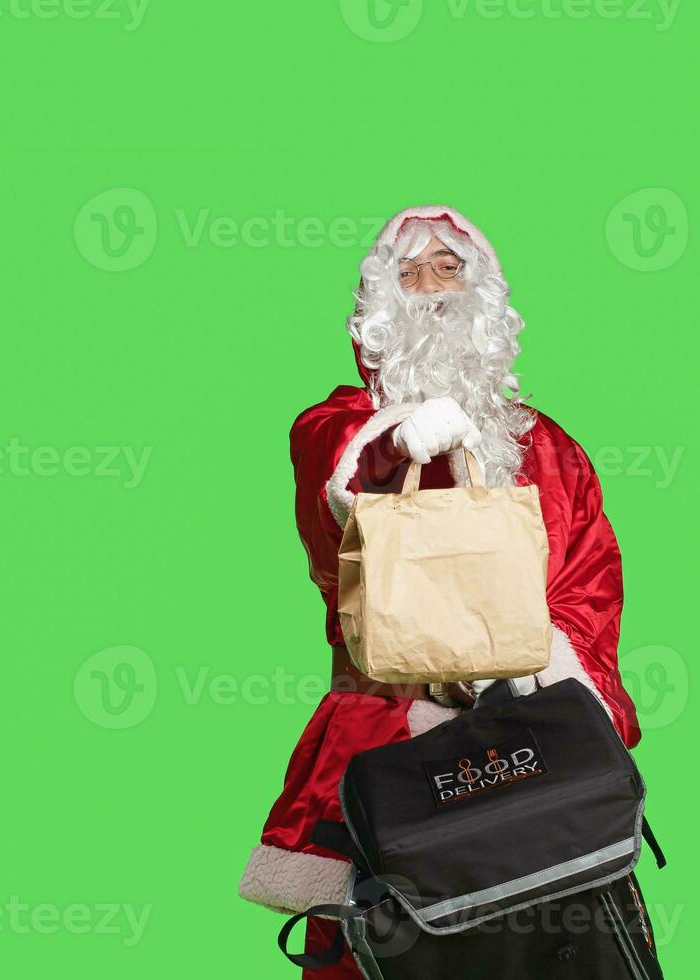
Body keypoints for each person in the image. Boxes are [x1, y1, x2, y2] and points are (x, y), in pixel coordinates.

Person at [237, 205, 644, 977]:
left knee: (561, 943)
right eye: (409, 271)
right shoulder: (336, 425)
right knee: (396, 954)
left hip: (531, 744)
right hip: (395, 748)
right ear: (375, 304)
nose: (431, 289)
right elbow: (339, 507)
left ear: (485, 295)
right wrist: (398, 440)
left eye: (450, 268)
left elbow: (591, 587)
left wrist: (535, 675)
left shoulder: (551, 447)